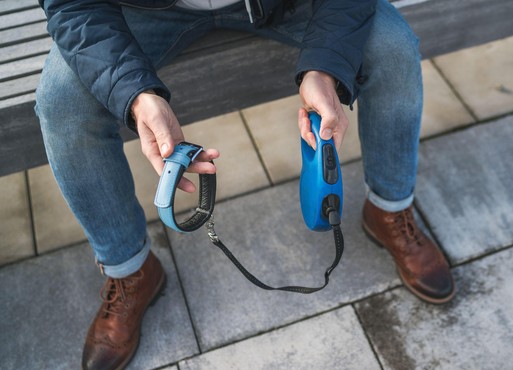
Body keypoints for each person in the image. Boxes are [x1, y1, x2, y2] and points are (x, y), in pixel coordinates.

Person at [36, 0, 455, 368]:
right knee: (63, 102)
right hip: (143, 10)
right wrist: (136, 94)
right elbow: (71, 4)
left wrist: (326, 67)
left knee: (393, 47)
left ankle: (389, 207)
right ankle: (129, 268)